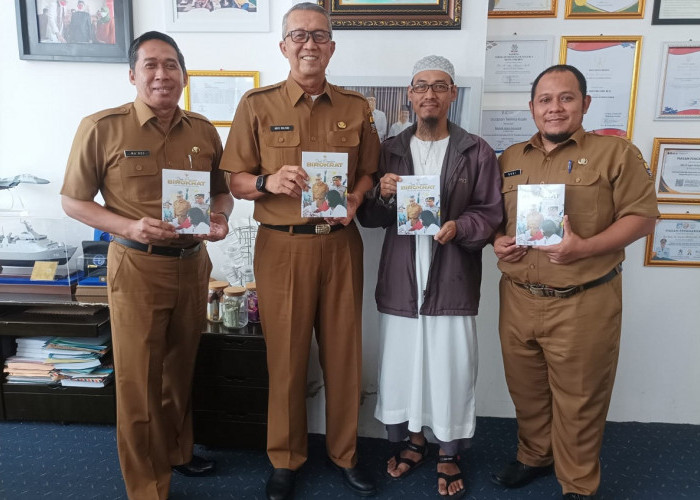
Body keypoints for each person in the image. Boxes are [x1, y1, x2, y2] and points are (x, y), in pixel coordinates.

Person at [60, 31, 233, 500]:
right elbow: (73, 201)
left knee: (179, 369)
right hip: (137, 266)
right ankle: (147, 486)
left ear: (184, 74)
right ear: (133, 75)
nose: (162, 75)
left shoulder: (202, 129)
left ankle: (177, 451)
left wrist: (220, 217)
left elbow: (222, 190)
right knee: (139, 379)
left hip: (193, 264)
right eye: (152, 65)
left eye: (171, 65)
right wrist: (128, 227)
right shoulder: (102, 127)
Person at [218, 4, 380, 499]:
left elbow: (369, 171)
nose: (309, 44)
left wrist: (354, 198)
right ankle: (285, 458)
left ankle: (345, 454)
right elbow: (234, 179)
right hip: (281, 248)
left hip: (339, 247)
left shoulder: (356, 107)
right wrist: (268, 180)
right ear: (284, 46)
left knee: (344, 355)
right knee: (285, 359)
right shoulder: (257, 104)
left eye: (319, 35)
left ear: (332, 46)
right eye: (298, 35)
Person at [491, 64, 658, 499]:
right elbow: (496, 221)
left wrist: (582, 248)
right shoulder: (509, 157)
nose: (555, 108)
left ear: (585, 104)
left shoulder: (616, 154)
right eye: (545, 100)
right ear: (532, 108)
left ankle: (579, 484)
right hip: (518, 299)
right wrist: (498, 242)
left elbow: (642, 219)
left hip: (583, 301)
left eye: (566, 98)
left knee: (580, 400)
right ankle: (534, 454)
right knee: (526, 391)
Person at [356, 55, 502, 499]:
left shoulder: (476, 150)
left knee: (450, 367)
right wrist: (380, 195)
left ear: (452, 94)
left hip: (452, 274)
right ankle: (415, 441)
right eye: (421, 86)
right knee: (404, 365)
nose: (430, 94)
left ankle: (449, 450)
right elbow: (370, 216)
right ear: (410, 94)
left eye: (440, 86)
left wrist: (460, 227)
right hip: (403, 275)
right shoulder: (390, 149)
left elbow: (490, 212)